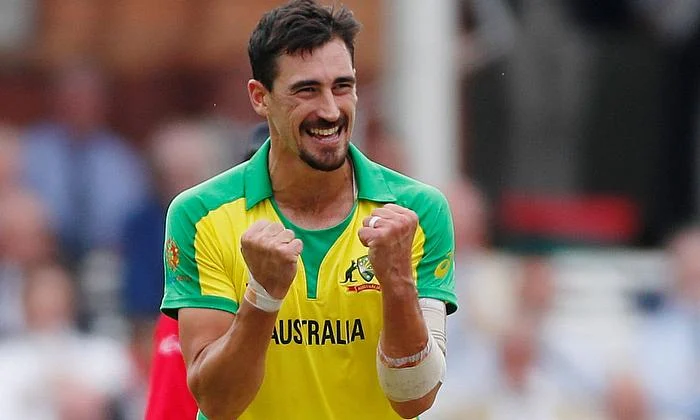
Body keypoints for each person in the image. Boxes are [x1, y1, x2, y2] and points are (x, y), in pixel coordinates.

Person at [160, 1, 458, 419]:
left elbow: (414, 398)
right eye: (307, 90)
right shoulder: (199, 214)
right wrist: (262, 296)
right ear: (260, 98)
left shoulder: (418, 212)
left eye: (342, 86)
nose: (331, 111)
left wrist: (398, 283)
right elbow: (217, 401)